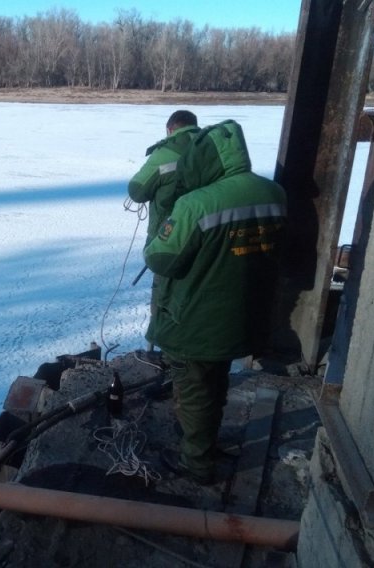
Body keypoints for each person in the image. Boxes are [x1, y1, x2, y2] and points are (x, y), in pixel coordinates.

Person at [144, 119, 287, 484]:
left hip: (195, 320)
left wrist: (165, 218)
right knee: (217, 381)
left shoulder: (196, 204)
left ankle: (197, 463)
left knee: (194, 390)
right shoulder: (274, 194)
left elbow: (160, 259)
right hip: (243, 316)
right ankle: (206, 441)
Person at [127, 110, 200, 347]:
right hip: (209, 235)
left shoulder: (165, 153)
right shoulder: (210, 150)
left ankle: (159, 351)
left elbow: (137, 191)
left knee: (164, 295)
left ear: (170, 129)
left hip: (168, 238)